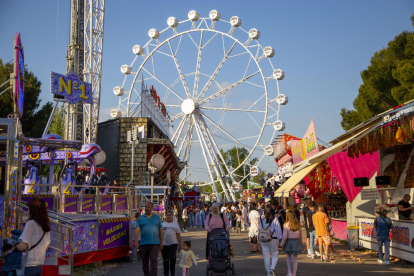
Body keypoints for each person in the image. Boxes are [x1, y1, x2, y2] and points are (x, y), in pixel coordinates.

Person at [16, 198, 51, 276]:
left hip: (28, 266)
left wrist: (15, 245)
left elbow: (22, 246)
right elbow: (46, 246)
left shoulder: (31, 224)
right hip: (39, 267)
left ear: (33, 211)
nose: (27, 212)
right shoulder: (45, 226)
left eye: (29, 209)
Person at [135, 202, 164, 276]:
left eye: (148, 207)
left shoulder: (157, 218)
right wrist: (135, 241)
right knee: (145, 262)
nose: (146, 208)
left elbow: (161, 231)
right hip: (144, 244)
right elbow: (137, 230)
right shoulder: (141, 218)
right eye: (146, 207)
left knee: (153, 261)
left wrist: (161, 243)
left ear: (152, 208)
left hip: (155, 243)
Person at [260, 204, 282, 276]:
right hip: (273, 239)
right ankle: (272, 269)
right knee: (274, 255)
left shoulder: (261, 218)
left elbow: (260, 229)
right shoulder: (274, 219)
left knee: (266, 257)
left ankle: (269, 274)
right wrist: (281, 239)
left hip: (263, 239)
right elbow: (278, 230)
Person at [280, 211, 302, 276]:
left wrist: (282, 244)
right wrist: (300, 242)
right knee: (295, 258)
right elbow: (300, 235)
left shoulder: (286, 225)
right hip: (297, 241)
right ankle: (294, 273)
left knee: (288, 257)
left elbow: (285, 236)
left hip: (289, 242)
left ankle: (289, 272)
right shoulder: (298, 224)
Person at [162, 211, 182, 276]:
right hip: (164, 244)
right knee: (165, 260)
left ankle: (172, 272)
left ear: (172, 216)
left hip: (173, 243)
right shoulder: (162, 224)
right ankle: (166, 273)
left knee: (172, 258)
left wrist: (180, 246)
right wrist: (160, 244)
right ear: (165, 216)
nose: (169, 216)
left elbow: (178, 235)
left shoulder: (175, 224)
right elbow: (160, 235)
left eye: (170, 215)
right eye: (167, 215)